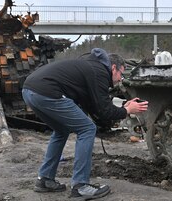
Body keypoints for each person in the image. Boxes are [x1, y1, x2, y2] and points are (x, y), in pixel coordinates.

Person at [22, 48, 148, 200]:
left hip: (29, 91)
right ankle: (80, 186)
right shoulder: (100, 71)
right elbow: (104, 110)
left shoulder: (90, 67)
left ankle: (45, 179)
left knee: (61, 130)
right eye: (121, 73)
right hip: (47, 92)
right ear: (113, 68)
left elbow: (96, 108)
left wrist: (122, 108)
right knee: (87, 129)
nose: (120, 79)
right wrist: (127, 110)